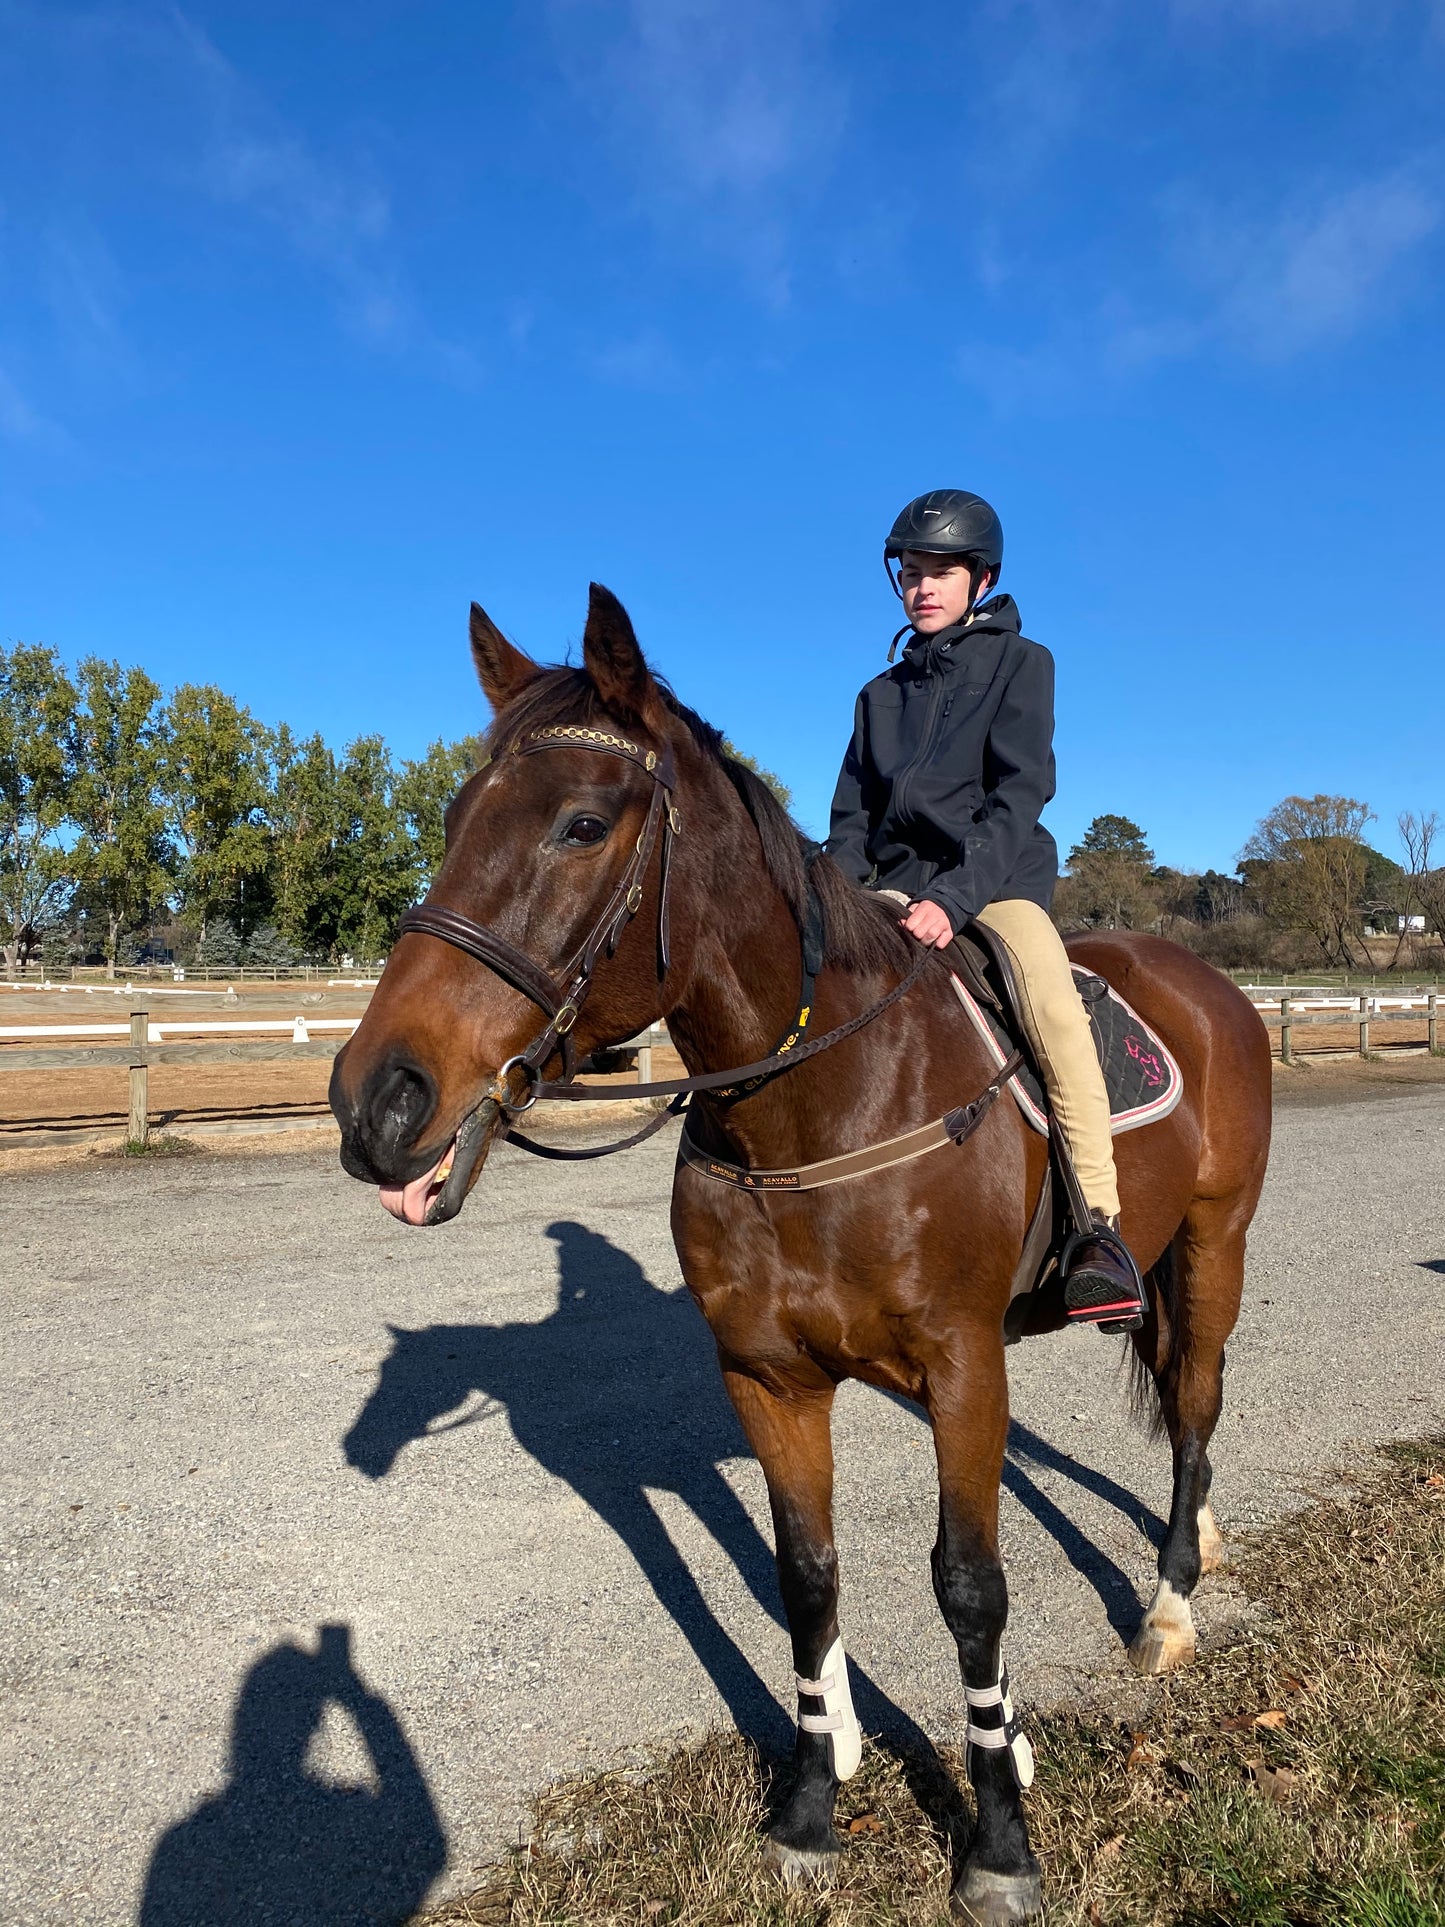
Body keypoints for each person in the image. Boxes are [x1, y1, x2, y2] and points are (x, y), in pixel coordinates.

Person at [825, 488, 1146, 1331]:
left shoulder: (1021, 663)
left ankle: (1098, 1229)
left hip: (993, 886)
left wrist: (951, 900)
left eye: (939, 572)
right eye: (910, 572)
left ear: (981, 577)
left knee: (1049, 1002)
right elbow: (850, 824)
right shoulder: (876, 695)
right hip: (889, 886)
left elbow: (1019, 797)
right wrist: (831, 903)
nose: (921, 587)